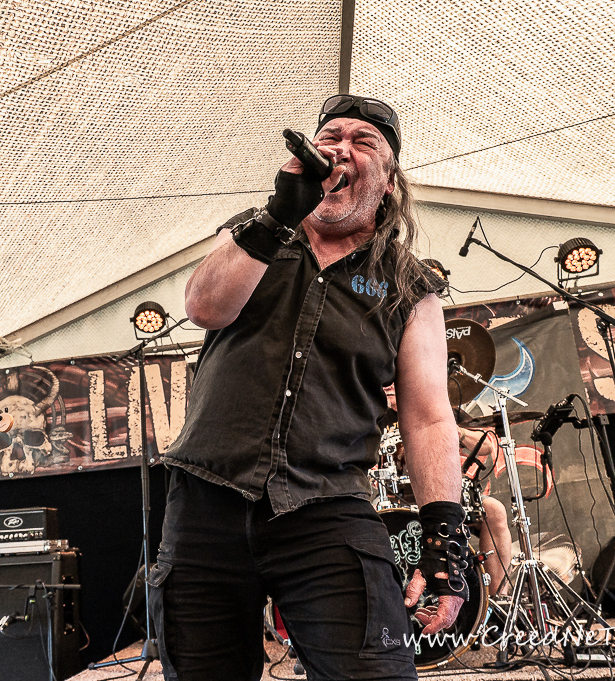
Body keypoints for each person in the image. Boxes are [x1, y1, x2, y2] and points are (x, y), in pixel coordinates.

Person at [153, 95, 470, 681]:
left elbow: (428, 418)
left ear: (390, 184)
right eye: (330, 138)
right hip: (206, 501)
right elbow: (204, 307)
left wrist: (444, 542)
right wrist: (279, 213)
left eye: (363, 142)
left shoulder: (409, 286)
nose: (341, 149)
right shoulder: (253, 233)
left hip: (326, 506)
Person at [384, 384, 512, 596]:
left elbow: (487, 446)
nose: (389, 386)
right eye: (385, 383)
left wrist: (456, 431)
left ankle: (497, 599)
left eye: (393, 381)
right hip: (400, 498)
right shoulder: (377, 417)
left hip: (445, 493)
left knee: (494, 510)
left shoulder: (438, 408)